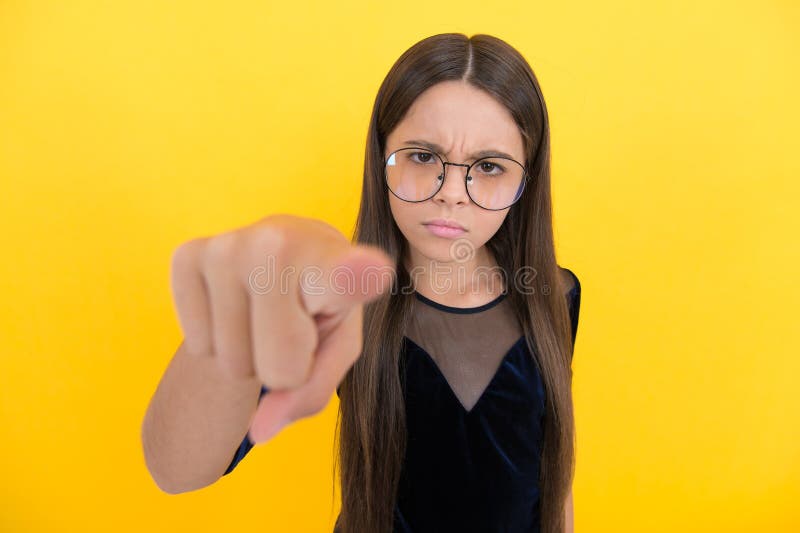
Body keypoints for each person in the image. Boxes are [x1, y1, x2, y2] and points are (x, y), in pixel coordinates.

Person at [142, 33, 581, 533]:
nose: (453, 195)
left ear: (525, 181)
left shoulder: (555, 295)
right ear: (381, 156)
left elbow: (554, 471)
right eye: (421, 157)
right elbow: (176, 469)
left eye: (487, 167)